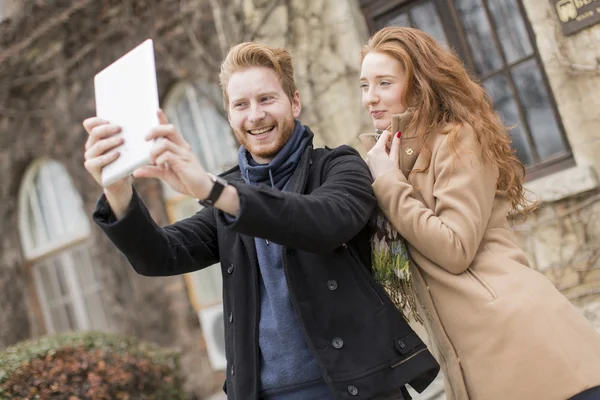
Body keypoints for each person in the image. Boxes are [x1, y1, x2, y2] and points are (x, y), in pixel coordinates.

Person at [83, 42, 439, 400]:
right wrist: (116, 186)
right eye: (241, 104)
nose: (255, 115)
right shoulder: (227, 192)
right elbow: (161, 254)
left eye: (266, 99)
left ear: (294, 102)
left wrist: (212, 189)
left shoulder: (337, 166)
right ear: (230, 115)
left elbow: (325, 222)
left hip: (358, 389)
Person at [359, 26, 600, 400]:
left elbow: (455, 249)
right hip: (474, 361)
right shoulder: (390, 160)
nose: (370, 98)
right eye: (364, 85)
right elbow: (394, 271)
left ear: (418, 85)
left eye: (384, 83)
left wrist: (388, 183)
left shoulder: (456, 140)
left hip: (524, 343)